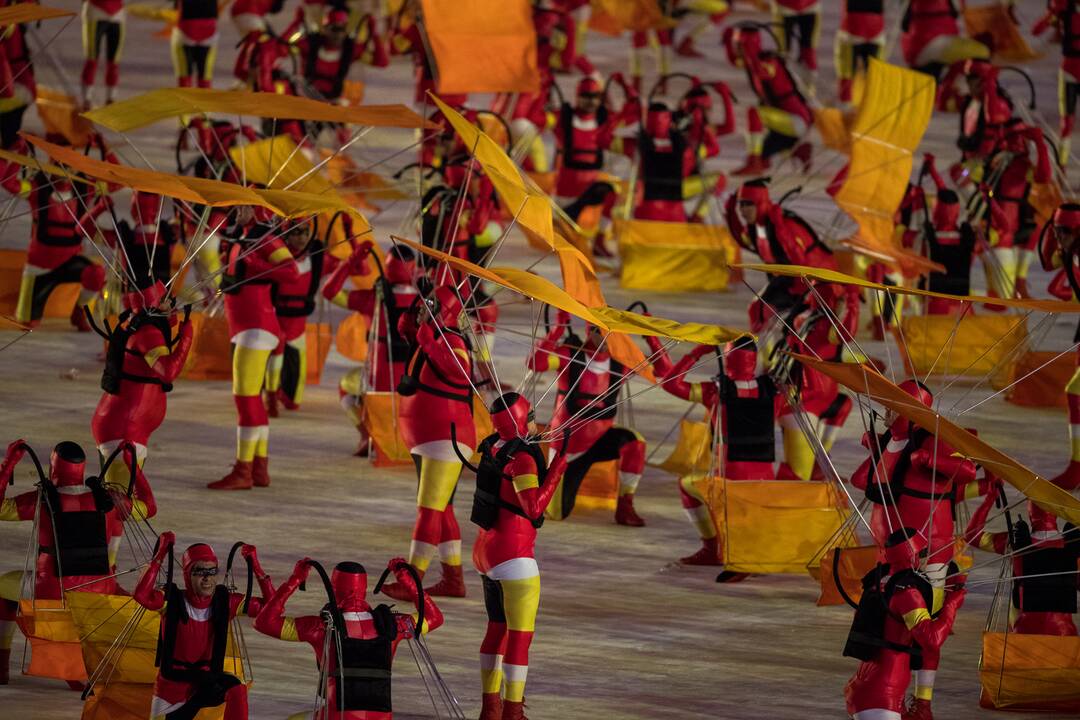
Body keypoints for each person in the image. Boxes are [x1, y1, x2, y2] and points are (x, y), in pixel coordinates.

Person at [0, 439, 154, 684]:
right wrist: (131, 465)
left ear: (53, 469)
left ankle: (1, 665)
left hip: (52, 590)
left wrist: (8, 465)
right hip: (99, 590)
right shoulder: (108, 500)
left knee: (3, 588)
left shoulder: (42, 500)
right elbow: (149, 508)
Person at [469, 393, 568, 720]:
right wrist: (558, 466)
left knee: (496, 630)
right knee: (519, 639)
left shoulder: (493, 446)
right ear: (521, 418)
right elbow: (535, 508)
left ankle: (489, 708)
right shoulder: (522, 460)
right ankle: (512, 712)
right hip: (514, 557)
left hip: (485, 552)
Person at [253, 556, 444, 719]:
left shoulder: (320, 626)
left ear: (334, 589)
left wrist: (294, 580)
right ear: (364, 590)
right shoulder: (394, 625)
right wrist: (409, 583)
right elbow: (435, 617)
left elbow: (263, 622)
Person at [646, 339, 777, 567]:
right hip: (767, 478)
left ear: (726, 359)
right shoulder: (772, 390)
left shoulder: (716, 391)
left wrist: (696, 353)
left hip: (731, 477)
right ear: (753, 360)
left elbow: (670, 384)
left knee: (686, 484)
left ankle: (711, 547)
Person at [380, 284, 474, 598]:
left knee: (429, 510)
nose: (423, 308)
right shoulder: (431, 334)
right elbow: (403, 328)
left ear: (442, 310)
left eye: (429, 305)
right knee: (442, 508)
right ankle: (453, 579)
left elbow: (461, 372)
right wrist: (411, 311)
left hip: (445, 436)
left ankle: (413, 580)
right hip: (429, 437)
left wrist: (430, 342)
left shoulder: (451, 338)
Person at [134, 532, 273, 720]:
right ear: (187, 575)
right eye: (199, 571)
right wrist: (160, 554)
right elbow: (142, 596)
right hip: (171, 691)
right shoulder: (171, 601)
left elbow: (271, 608)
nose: (207, 578)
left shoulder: (225, 603)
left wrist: (256, 566)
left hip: (206, 683)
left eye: (212, 571)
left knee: (236, 689)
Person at [209, 209, 301, 490]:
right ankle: (258, 467)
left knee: (246, 400)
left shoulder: (267, 239)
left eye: (246, 203)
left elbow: (292, 272)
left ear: (258, 209)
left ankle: (243, 470)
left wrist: (257, 263)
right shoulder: (244, 235)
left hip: (256, 327)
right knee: (252, 401)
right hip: (247, 326)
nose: (239, 208)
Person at [527, 313, 647, 526]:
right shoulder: (569, 355)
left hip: (600, 439)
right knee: (557, 513)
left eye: (613, 333)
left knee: (635, 443)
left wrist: (650, 336)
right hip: (569, 449)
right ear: (590, 331)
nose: (607, 338)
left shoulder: (620, 362)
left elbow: (658, 370)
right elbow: (536, 362)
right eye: (602, 332)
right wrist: (556, 330)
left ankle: (625, 505)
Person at [843, 528, 966, 720]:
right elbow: (931, 640)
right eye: (923, 554)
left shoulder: (878, 583)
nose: (925, 560)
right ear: (913, 557)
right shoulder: (908, 593)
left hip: (868, 689)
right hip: (882, 698)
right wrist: (951, 604)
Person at [91, 280, 194, 486]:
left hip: (127, 426)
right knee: (119, 501)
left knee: (119, 495)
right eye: (165, 300)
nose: (172, 304)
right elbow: (168, 372)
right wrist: (187, 339)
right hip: (124, 429)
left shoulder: (138, 323)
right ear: (153, 304)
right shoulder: (148, 334)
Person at [323, 242, 418, 456]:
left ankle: (366, 434)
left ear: (387, 268)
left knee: (345, 386)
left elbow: (329, 291)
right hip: (414, 385)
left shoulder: (372, 300)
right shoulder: (423, 302)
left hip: (378, 384)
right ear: (412, 269)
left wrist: (351, 261)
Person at [965, 482, 1079, 636]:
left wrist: (990, 498)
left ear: (1030, 512)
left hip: (1024, 630)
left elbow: (972, 536)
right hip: (1064, 632)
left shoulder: (1015, 541)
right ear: (1055, 512)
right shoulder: (1072, 544)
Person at [725, 179, 835, 332]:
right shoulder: (756, 226)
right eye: (740, 204)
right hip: (787, 283)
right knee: (757, 310)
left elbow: (801, 261)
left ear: (760, 203)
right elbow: (743, 241)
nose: (743, 210)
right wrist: (730, 212)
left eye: (748, 204)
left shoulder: (784, 224)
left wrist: (781, 229)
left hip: (814, 287)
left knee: (792, 329)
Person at [553, 74, 640, 257]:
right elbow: (536, 120)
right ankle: (568, 221)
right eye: (586, 96)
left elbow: (634, 109)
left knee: (611, 192)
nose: (590, 101)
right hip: (565, 194)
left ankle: (600, 238)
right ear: (578, 97)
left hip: (590, 192)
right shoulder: (564, 119)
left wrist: (625, 85)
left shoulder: (604, 122)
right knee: (566, 243)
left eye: (594, 97)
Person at [13, 169, 109, 331]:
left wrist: (102, 152)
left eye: (69, 166)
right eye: (60, 164)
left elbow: (114, 181)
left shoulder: (85, 190)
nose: (65, 170)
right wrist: (13, 150)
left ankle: (79, 313)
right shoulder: (36, 190)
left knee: (96, 274)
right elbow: (9, 184)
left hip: (69, 261)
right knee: (26, 323)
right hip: (39, 267)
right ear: (51, 166)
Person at [723, 25, 812, 175]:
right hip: (782, 120)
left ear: (748, 44)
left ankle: (754, 162)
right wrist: (727, 41)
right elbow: (735, 61)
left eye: (738, 44)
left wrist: (749, 52)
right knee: (766, 156)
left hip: (796, 120)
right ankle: (797, 150)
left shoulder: (769, 62)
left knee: (755, 113)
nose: (736, 48)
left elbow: (762, 72)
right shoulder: (753, 61)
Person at [1038, 203, 1080, 490]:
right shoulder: (1071, 250)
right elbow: (1048, 262)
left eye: (1064, 230)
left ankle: (1077, 467)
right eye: (1058, 230)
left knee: (1075, 391)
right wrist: (1051, 231)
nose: (1060, 235)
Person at [265, 222, 326, 414]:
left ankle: (284, 394)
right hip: (276, 318)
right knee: (274, 358)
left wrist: (354, 255)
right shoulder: (278, 256)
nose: (301, 238)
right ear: (286, 235)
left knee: (294, 399)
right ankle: (271, 394)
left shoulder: (314, 255)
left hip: (298, 321)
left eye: (305, 233)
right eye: (296, 233)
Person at [293, 8, 389, 104]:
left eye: (341, 29)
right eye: (334, 29)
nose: (338, 34)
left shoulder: (351, 50)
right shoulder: (310, 46)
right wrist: (296, 23)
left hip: (335, 103)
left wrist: (374, 34)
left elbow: (382, 62)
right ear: (325, 29)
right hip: (306, 101)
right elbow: (281, 47)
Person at [1033, 0, 1080, 165]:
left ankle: (1062, 169)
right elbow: (1036, 30)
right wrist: (1052, 14)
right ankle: (1062, 170)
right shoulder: (1064, 8)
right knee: (1066, 124)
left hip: (1070, 69)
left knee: (1066, 124)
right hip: (1069, 70)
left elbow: (1036, 30)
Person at [834, 0, 885, 103]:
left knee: (847, 73)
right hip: (874, 29)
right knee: (873, 75)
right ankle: (869, 105)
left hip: (853, 28)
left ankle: (846, 105)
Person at [80, 0, 125, 106]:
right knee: (92, 59)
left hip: (117, 14)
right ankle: (87, 99)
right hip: (96, 11)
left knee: (114, 61)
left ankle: (111, 98)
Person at [172, 0, 221, 89]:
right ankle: (204, 98)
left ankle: (186, 97)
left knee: (184, 73)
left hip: (186, 30)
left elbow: (174, 12)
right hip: (209, 30)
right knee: (205, 74)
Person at [772, 0, 821, 72]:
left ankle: (808, 78)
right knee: (783, 51)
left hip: (810, 7)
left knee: (808, 50)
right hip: (785, 7)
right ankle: (782, 78)